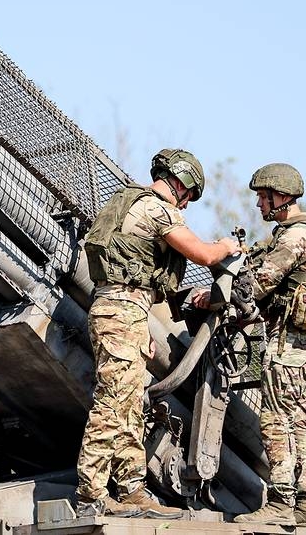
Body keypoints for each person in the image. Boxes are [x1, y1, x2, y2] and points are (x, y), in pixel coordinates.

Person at [74, 148, 242, 519]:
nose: (187, 204)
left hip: (126, 312)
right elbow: (201, 253)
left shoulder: (128, 203)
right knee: (113, 403)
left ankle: (131, 488)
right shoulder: (155, 208)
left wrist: (140, 329)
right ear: (180, 183)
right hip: (122, 310)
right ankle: (90, 495)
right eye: (190, 196)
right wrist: (226, 247)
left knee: (131, 403)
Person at [233, 163, 306, 528]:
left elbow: (258, 284)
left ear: (282, 198)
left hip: (290, 341)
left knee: (276, 418)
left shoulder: (296, 236)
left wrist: (220, 292)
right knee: (298, 420)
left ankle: (280, 502)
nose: (260, 205)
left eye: (264, 197)